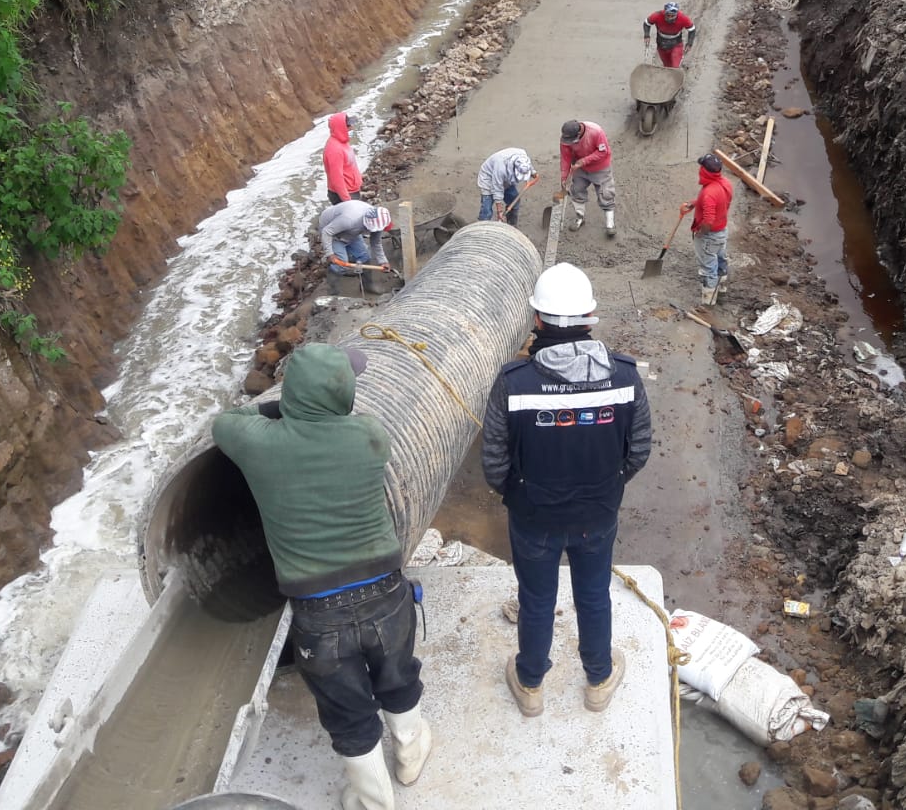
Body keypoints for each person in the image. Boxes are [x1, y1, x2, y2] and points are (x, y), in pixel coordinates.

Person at [213, 344, 429, 810]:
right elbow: (340, 422)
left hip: (318, 614)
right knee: (397, 677)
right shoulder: (371, 436)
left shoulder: (258, 444)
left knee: (347, 711)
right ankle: (411, 756)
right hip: (388, 595)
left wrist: (281, 409)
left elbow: (226, 423)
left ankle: (373, 800)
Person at [481, 263, 652, 718]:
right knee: (593, 595)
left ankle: (531, 684)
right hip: (597, 515)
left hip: (533, 518)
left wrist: (520, 498)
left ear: (537, 320)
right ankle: (598, 679)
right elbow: (638, 450)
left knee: (536, 599)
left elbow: (494, 463)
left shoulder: (513, 385)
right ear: (590, 317)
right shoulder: (625, 378)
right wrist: (606, 489)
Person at [681, 152, 732, 307]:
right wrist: (695, 203)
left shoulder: (709, 192)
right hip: (722, 230)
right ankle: (722, 289)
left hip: (710, 236)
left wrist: (700, 234)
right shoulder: (725, 183)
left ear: (704, 171)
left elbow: (708, 220)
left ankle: (708, 304)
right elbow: (718, 202)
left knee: (708, 268)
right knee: (721, 259)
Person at [559, 119, 616, 237]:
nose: (571, 143)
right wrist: (564, 177)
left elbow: (602, 152)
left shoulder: (596, 132)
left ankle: (610, 224)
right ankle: (579, 218)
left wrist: (584, 161)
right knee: (576, 190)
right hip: (579, 169)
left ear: (579, 133)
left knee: (606, 193)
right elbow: (565, 157)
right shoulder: (566, 139)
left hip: (600, 167)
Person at [319, 201, 392, 273]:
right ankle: (332, 270)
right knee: (342, 265)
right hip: (332, 231)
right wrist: (329, 253)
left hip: (352, 231)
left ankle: (345, 254)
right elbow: (326, 232)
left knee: (365, 257)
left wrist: (383, 261)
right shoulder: (349, 219)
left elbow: (376, 242)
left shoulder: (379, 222)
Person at [477, 148, 537, 225]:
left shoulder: (522, 155)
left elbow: (527, 165)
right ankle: (482, 228)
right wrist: (500, 211)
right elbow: (497, 188)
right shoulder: (500, 166)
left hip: (507, 178)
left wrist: (533, 172)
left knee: (514, 201)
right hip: (488, 178)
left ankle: (511, 225)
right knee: (487, 210)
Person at [324, 112, 363, 205]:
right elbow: (336, 178)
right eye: (349, 125)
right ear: (341, 128)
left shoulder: (342, 141)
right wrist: (347, 201)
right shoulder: (334, 150)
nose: (352, 127)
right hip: (344, 194)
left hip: (351, 189)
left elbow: (349, 165)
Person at [643, 2, 697, 69]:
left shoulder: (683, 18)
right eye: (668, 15)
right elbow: (647, 23)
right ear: (664, 13)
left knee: (675, 67)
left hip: (676, 44)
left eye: (672, 16)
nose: (670, 18)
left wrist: (689, 43)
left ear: (676, 14)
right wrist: (646, 35)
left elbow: (692, 29)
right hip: (661, 45)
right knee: (667, 66)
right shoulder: (657, 15)